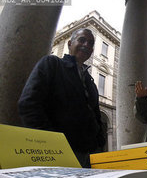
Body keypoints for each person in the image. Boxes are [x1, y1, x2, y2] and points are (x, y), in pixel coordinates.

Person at [18, 28, 105, 168]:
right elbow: (28, 104)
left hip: (90, 156)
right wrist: (51, 144)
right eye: (82, 40)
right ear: (70, 44)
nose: (86, 45)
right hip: (58, 155)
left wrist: (99, 144)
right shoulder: (52, 64)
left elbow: (96, 117)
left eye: (90, 43)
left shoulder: (91, 83)